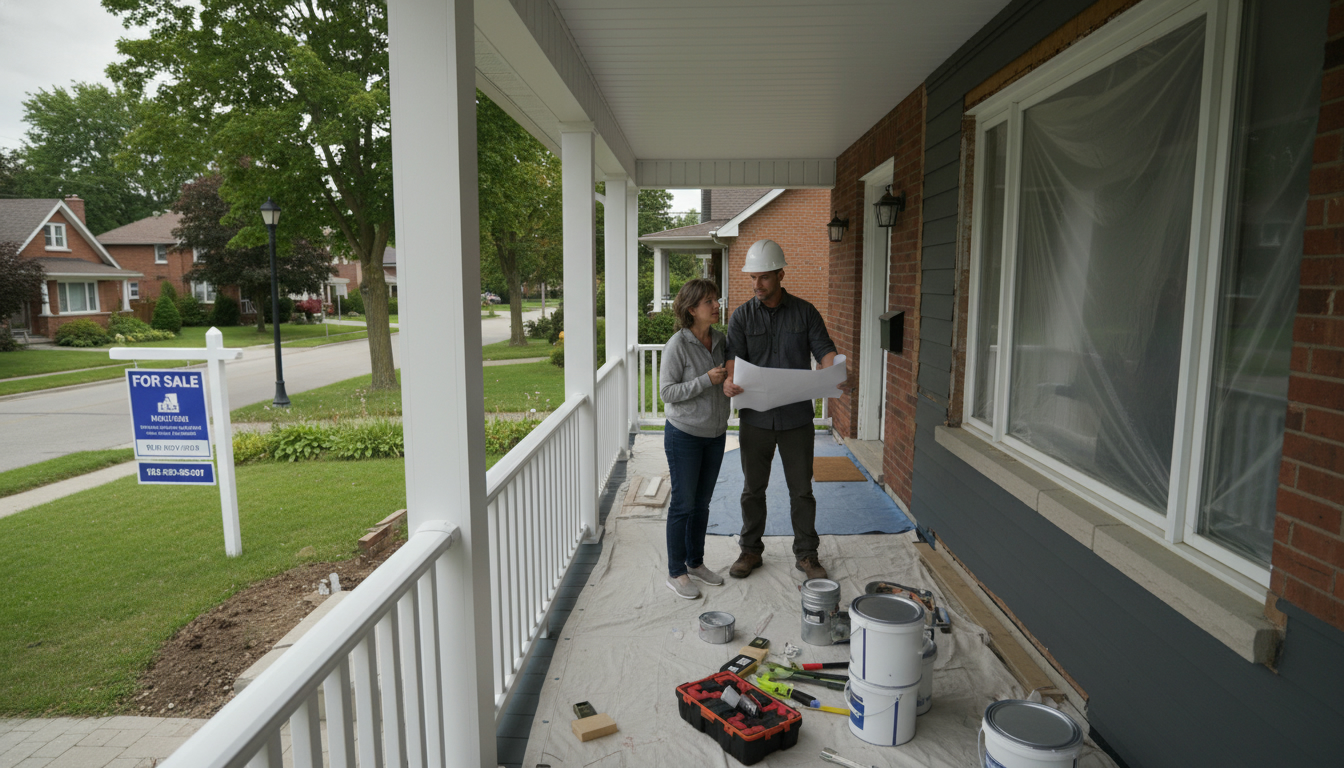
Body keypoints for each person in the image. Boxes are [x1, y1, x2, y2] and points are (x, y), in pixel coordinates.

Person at [722, 239, 846, 581]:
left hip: (796, 419)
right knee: (752, 489)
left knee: (801, 491)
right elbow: (733, 359)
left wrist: (834, 370)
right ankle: (750, 551)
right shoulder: (742, 316)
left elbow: (824, 349)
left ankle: (807, 555)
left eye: (763, 277)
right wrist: (729, 381)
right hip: (755, 418)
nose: (757, 284)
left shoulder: (805, 312)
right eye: (753, 278)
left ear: (780, 274)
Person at [660, 278, 732, 599]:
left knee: (701, 504)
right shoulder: (677, 345)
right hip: (684, 436)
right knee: (683, 504)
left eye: (716, 300)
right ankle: (676, 572)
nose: (717, 305)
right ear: (692, 309)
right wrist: (706, 380)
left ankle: (695, 562)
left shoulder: (720, 340)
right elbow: (667, 392)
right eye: (709, 302)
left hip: (715, 435)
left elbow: (732, 374)